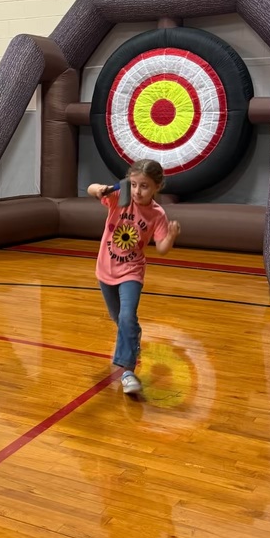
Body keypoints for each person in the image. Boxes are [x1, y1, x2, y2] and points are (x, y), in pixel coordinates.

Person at [88, 159, 180, 395]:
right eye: (135, 184)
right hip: (105, 270)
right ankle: (133, 334)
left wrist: (170, 236)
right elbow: (92, 189)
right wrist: (98, 189)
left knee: (127, 316)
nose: (138, 191)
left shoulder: (157, 214)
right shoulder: (121, 197)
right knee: (119, 319)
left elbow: (161, 248)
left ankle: (127, 371)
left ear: (157, 187)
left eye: (145, 186)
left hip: (132, 271)